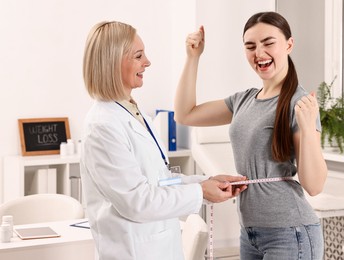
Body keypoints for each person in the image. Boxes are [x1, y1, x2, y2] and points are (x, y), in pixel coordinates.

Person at [80, 21, 247, 260]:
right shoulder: (102, 126)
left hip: (160, 247)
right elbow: (136, 201)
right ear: (113, 62)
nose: (147, 62)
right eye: (138, 56)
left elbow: (160, 181)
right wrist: (200, 192)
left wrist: (206, 181)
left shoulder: (133, 113)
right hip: (133, 251)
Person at [174, 12, 328, 260]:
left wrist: (309, 129)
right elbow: (185, 115)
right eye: (250, 46)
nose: (259, 53)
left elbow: (314, 185)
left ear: (289, 44)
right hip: (250, 234)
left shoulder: (298, 103)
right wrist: (193, 58)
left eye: (268, 43)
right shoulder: (243, 100)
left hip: (290, 234)